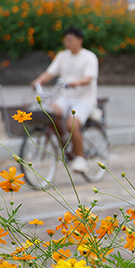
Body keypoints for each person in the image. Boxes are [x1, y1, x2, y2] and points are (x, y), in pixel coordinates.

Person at [31, 26, 99, 174]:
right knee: (50, 112)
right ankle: (64, 142)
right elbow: (50, 73)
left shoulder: (89, 57)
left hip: (84, 99)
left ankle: (80, 158)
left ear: (79, 40)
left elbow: (89, 77)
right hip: (65, 97)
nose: (67, 43)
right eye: (66, 40)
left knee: (71, 124)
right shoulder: (62, 56)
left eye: (70, 40)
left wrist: (76, 82)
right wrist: (38, 81)